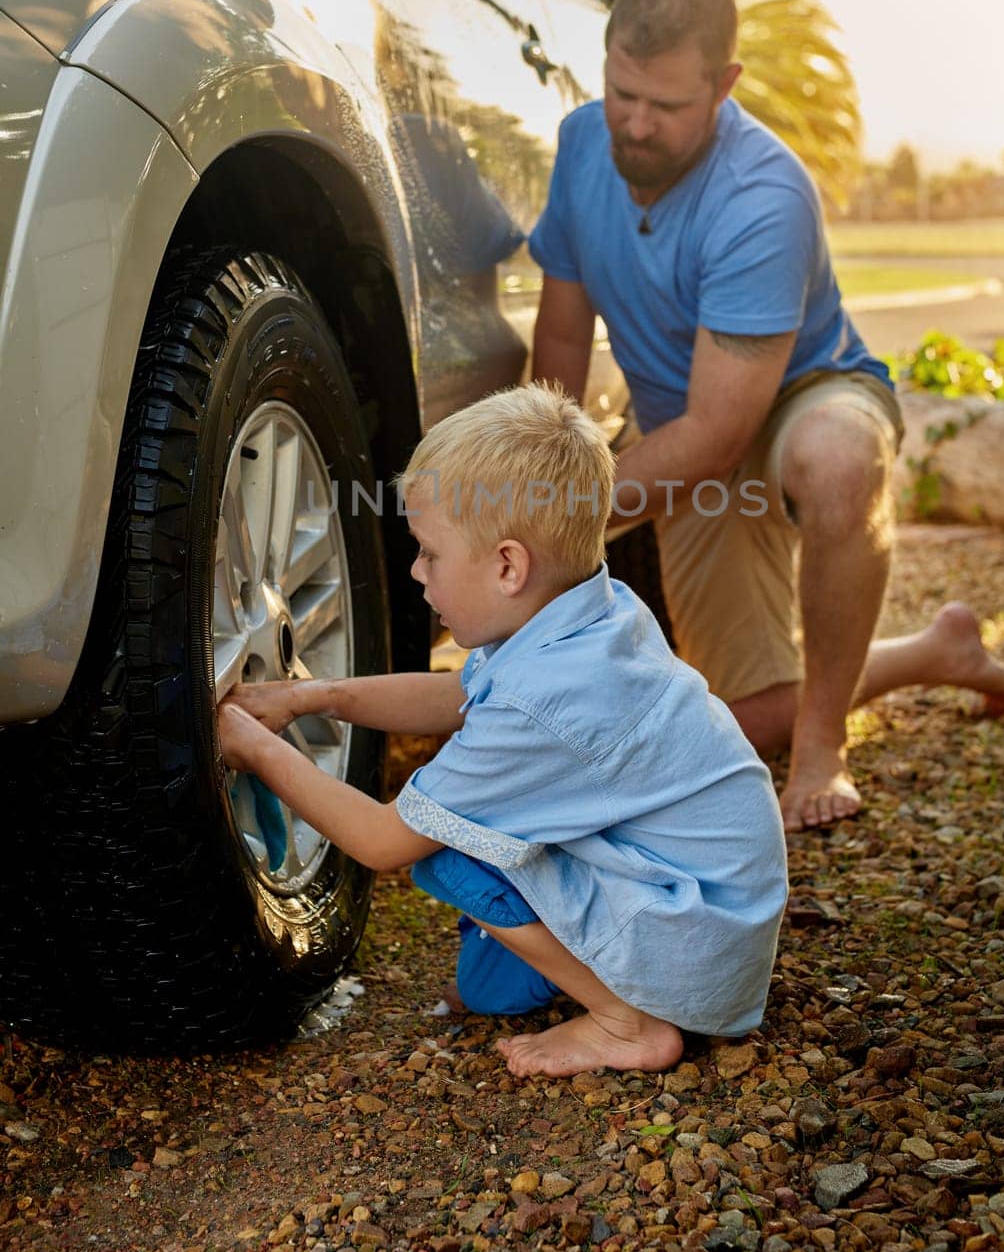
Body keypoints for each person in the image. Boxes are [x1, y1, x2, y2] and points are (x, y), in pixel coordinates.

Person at [529, 0, 1004, 833]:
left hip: (803, 396)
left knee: (837, 459)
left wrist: (553, 526)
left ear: (725, 85)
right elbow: (564, 336)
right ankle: (931, 651)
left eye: (668, 105)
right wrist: (540, 473)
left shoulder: (764, 194)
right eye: (622, 92)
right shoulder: (580, 146)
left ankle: (825, 742)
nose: (636, 125)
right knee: (732, 720)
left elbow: (723, 437)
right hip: (684, 415)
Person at [218, 383, 788, 1079]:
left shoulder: (540, 703)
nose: (415, 571)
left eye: (429, 552)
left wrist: (252, 744)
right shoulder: (591, 612)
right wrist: (313, 698)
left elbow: (382, 841)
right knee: (489, 991)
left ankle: (626, 1023)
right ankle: (605, 983)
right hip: (708, 920)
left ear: (508, 566)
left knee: (445, 850)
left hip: (693, 944)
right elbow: (454, 695)